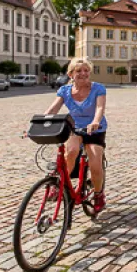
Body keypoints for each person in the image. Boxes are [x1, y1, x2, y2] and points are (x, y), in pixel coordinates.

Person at [43, 57, 108, 213]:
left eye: (86, 70)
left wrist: (95, 121)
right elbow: (53, 109)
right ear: (71, 74)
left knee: (95, 164)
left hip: (95, 128)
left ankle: (98, 194)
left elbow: (100, 108)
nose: (83, 73)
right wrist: (40, 122)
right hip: (74, 127)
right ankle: (61, 186)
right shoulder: (65, 91)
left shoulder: (98, 88)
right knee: (70, 152)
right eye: (79, 71)